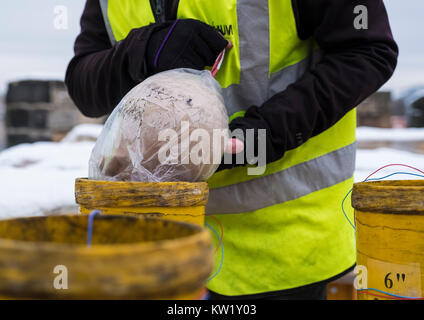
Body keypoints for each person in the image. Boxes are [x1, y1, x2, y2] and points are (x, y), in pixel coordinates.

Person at [66, 0, 398, 300]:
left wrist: (262, 135)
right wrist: (141, 50)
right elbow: (84, 86)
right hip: (153, 252)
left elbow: (368, 51)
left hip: (282, 256)